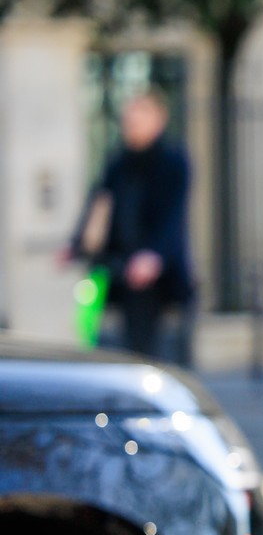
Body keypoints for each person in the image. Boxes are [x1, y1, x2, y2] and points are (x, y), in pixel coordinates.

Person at [62, 90, 197, 364]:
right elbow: (97, 202)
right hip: (117, 268)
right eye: (129, 117)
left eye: (140, 115)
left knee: (150, 350)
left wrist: (153, 255)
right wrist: (75, 244)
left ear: (159, 119)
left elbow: (173, 217)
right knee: (100, 338)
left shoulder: (173, 161)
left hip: (156, 277)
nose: (132, 122)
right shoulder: (119, 162)